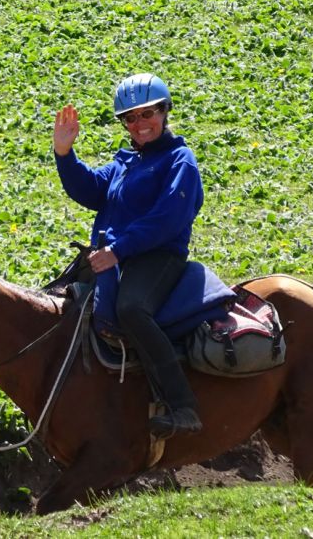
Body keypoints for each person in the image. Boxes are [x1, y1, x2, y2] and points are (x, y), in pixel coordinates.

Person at [53, 73, 204, 439]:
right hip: (114, 256)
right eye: (130, 118)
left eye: (147, 113)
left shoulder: (179, 161)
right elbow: (89, 190)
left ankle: (183, 406)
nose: (139, 124)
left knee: (131, 309)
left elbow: (167, 219)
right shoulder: (126, 162)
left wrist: (118, 251)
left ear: (165, 111)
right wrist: (64, 153)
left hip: (156, 257)